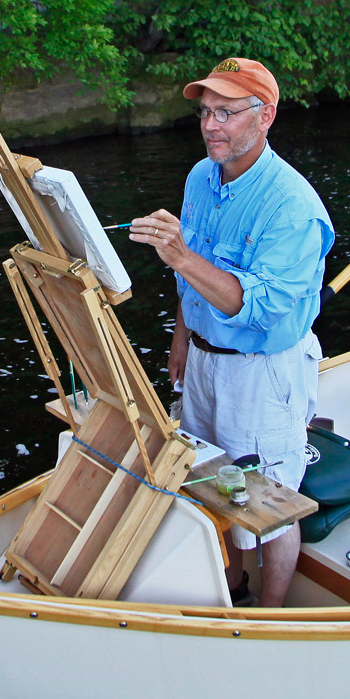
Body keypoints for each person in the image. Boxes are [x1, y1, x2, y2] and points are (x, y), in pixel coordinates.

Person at [129, 56, 333, 608]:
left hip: (261, 373)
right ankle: (236, 583)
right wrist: (180, 335)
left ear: (264, 117)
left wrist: (180, 255)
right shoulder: (201, 175)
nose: (211, 125)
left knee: (270, 504)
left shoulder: (292, 208)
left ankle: (269, 615)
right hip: (202, 358)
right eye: (205, 112)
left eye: (227, 113)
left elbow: (260, 309)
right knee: (213, 480)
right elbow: (193, 282)